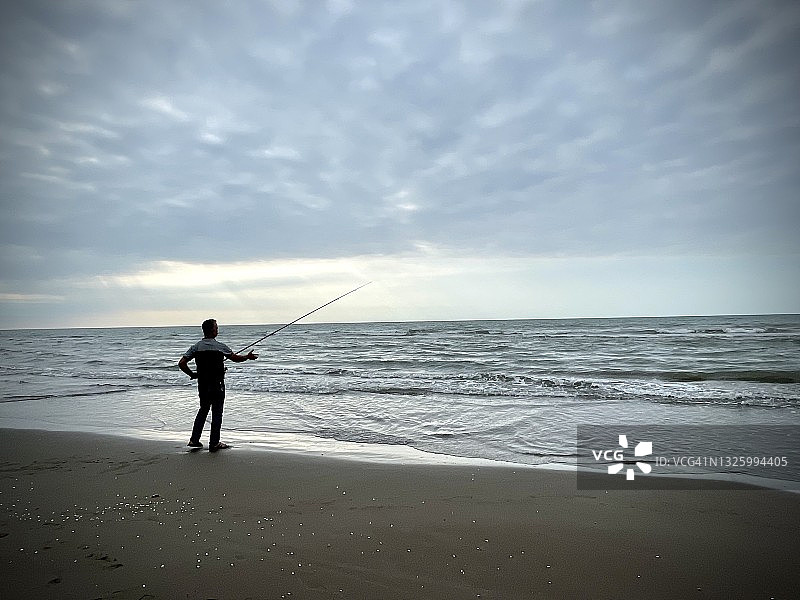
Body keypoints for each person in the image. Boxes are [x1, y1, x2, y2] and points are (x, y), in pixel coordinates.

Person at [178, 318, 258, 451]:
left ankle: (194, 439)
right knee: (217, 412)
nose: (217, 330)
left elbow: (181, 363)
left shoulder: (196, 347)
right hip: (217, 384)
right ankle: (214, 442)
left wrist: (193, 374)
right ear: (212, 330)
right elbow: (235, 358)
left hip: (202, 384)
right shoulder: (220, 346)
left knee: (203, 410)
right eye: (216, 327)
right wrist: (247, 357)